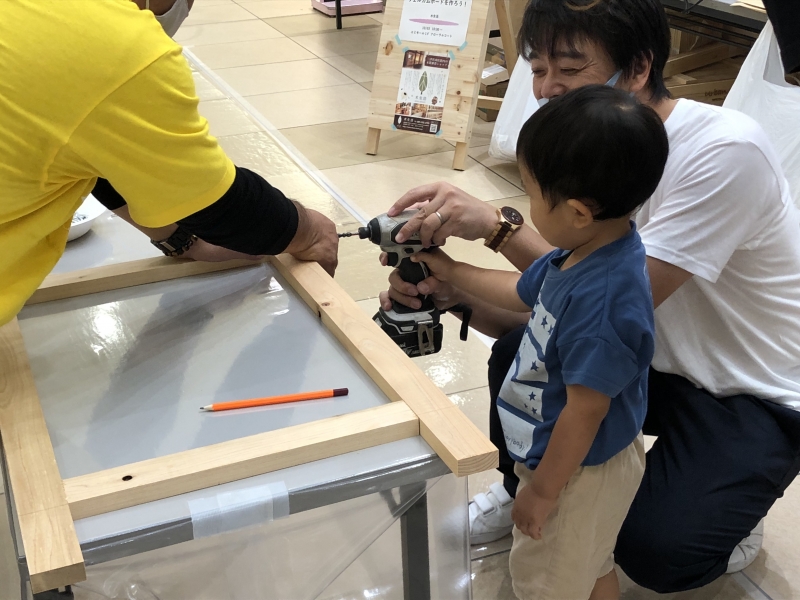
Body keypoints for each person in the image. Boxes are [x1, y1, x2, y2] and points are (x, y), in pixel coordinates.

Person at [381, 0, 800, 592]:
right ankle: (524, 488)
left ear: (639, 68)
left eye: (570, 69)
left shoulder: (722, 153)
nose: (546, 88)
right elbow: (551, 305)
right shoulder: (596, 151)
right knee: (517, 361)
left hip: (750, 388)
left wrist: (495, 229)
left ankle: (729, 520)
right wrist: (448, 287)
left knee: (655, 551)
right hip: (651, 356)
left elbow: (584, 301)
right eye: (537, 68)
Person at [416, 85, 667, 600]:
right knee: (591, 563)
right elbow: (520, 290)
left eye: (530, 194)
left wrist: (544, 492)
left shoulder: (604, 304)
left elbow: (585, 411)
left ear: (577, 211)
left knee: (546, 582)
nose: (524, 208)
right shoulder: (587, 248)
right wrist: (452, 271)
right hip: (580, 460)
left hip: (579, 472)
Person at [0, 0, 338, 327]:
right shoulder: (114, 46)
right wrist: (310, 232)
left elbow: (98, 150)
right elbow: (215, 201)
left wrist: (182, 242)